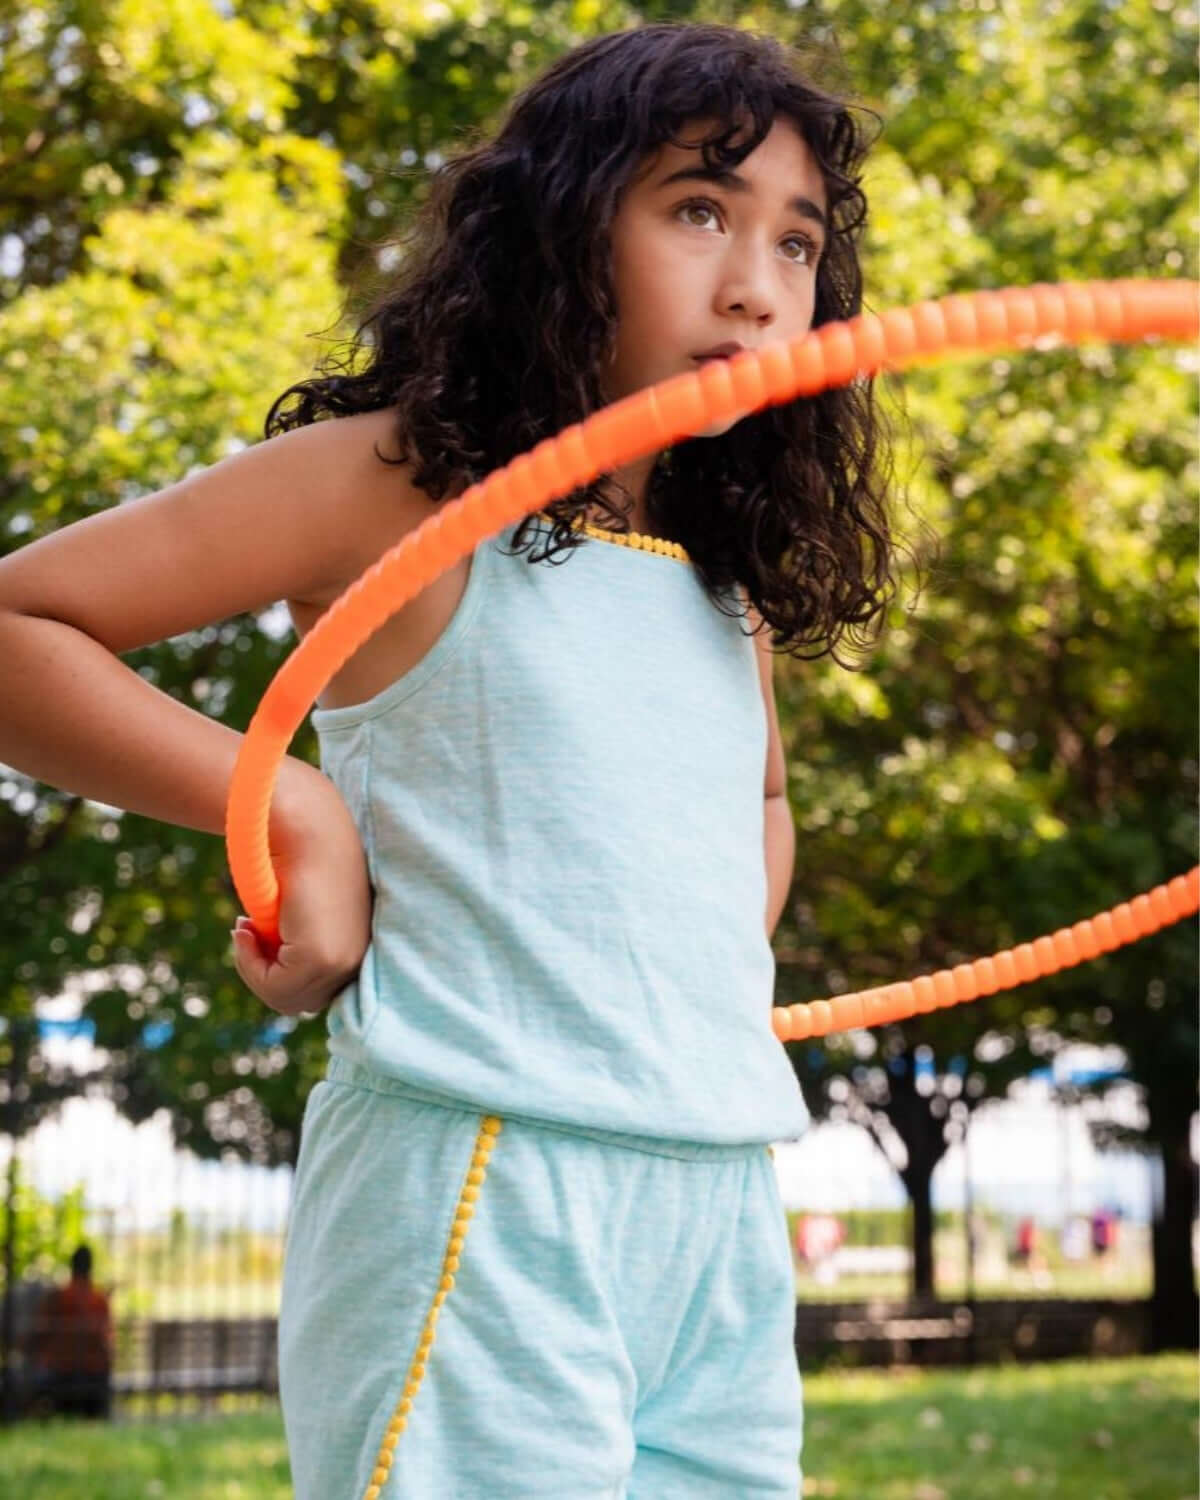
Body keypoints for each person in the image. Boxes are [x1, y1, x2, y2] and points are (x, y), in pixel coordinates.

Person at [0, 21, 907, 1497]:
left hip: (717, 1193)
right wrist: (293, 807)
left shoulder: (713, 563)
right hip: (489, 1184)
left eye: (797, 245)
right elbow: (19, 625)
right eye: (699, 210)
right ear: (562, 226)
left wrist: (662, 981)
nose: (756, 285)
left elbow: (756, 801)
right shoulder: (400, 487)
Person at [25, 1246, 114, 1420]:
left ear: (72, 1267)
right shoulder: (99, 1300)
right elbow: (106, 1342)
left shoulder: (57, 1298)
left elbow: (38, 1334)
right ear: (90, 1267)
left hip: (58, 1375)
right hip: (93, 1377)